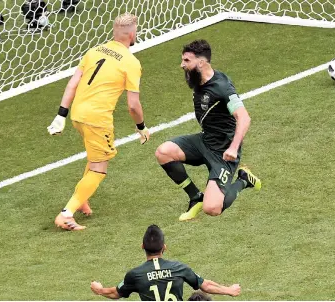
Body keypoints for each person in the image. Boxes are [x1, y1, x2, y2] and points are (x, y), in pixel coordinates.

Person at [47, 12, 150, 231]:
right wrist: (141, 127)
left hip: (77, 114)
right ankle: (66, 214)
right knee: (99, 167)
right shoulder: (131, 62)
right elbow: (133, 105)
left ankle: (82, 198)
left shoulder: (94, 51)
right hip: (97, 119)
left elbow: (73, 83)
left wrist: (60, 115)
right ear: (132, 34)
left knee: (94, 157)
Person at [155, 39, 261, 221]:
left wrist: (233, 148)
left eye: (187, 61)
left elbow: (244, 118)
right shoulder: (198, 79)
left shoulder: (222, 87)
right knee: (163, 152)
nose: (182, 65)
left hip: (223, 152)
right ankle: (195, 197)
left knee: (212, 208)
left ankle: (244, 179)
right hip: (205, 141)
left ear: (201, 62)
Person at [90, 225, 241, 301]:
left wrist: (99, 289)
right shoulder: (179, 268)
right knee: (199, 298)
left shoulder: (135, 275)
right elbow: (206, 285)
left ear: (142, 247)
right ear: (164, 247)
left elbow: (115, 293)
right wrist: (229, 290)